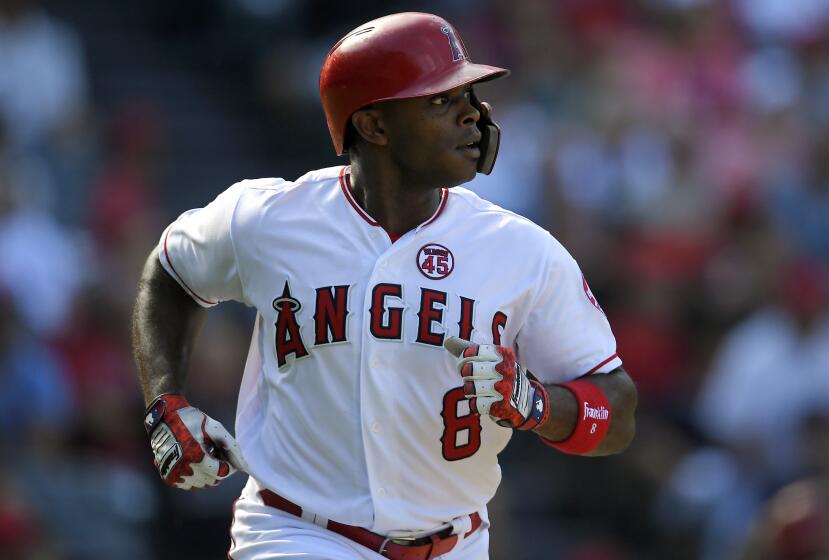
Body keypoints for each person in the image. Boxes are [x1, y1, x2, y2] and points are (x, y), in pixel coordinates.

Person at [132, 12, 637, 560]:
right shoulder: (269, 219)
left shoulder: (522, 251)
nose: (473, 116)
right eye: (441, 100)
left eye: (469, 96)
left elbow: (617, 411)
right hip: (297, 532)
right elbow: (169, 274)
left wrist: (538, 404)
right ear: (373, 126)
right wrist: (166, 401)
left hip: (456, 543)